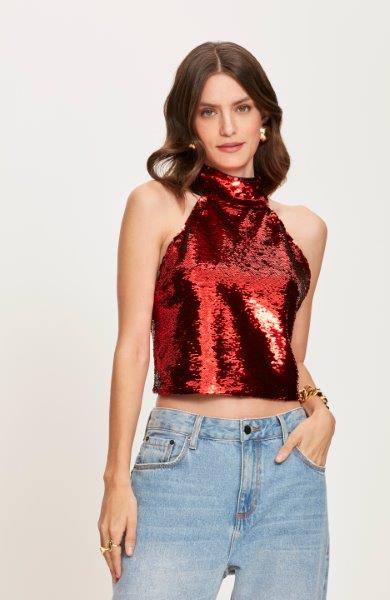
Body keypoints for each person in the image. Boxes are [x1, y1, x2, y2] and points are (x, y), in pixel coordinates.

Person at [98, 40, 336, 600]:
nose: (228, 127)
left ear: (264, 120)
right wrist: (115, 479)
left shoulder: (305, 229)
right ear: (190, 125)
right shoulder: (157, 206)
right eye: (209, 111)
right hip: (183, 464)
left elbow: (289, 355)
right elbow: (132, 345)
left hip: (288, 471)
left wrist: (321, 411)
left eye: (242, 108)